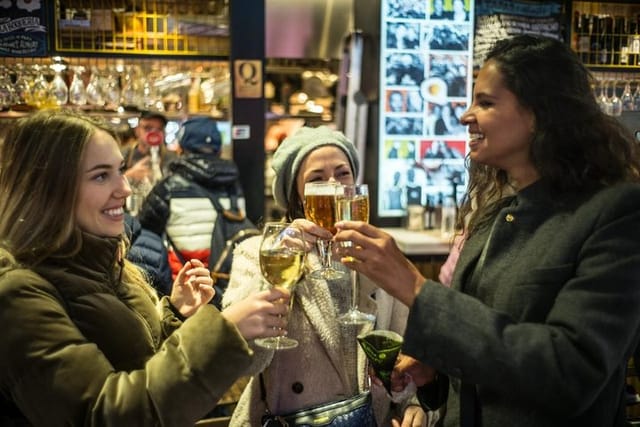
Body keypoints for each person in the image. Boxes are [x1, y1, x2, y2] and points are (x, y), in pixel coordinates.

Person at [334, 34, 640, 426]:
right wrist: (436, 374)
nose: (466, 115)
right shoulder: (497, 212)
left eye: (486, 102)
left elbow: (571, 372)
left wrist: (416, 289)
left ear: (539, 113)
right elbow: (488, 355)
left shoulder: (615, 213)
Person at [0, 110, 292, 426]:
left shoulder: (103, 263)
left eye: (120, 171)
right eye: (101, 175)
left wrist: (174, 314)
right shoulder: (16, 293)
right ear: (47, 189)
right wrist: (223, 332)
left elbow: (140, 364)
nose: (124, 189)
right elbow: (106, 415)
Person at [223, 126, 429, 426]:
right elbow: (242, 360)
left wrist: (410, 405)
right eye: (317, 178)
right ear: (296, 193)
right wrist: (278, 275)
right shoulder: (259, 254)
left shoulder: (380, 256)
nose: (333, 185)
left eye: (343, 174)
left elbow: (404, 357)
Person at [137, 117, 247, 281]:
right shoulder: (234, 184)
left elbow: (143, 229)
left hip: (185, 284)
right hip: (226, 281)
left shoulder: (169, 187)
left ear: (180, 149)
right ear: (218, 150)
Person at [122, 110, 177, 187]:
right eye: (147, 128)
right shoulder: (123, 155)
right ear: (137, 131)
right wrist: (128, 176)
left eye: (159, 129)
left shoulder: (172, 158)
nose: (154, 132)